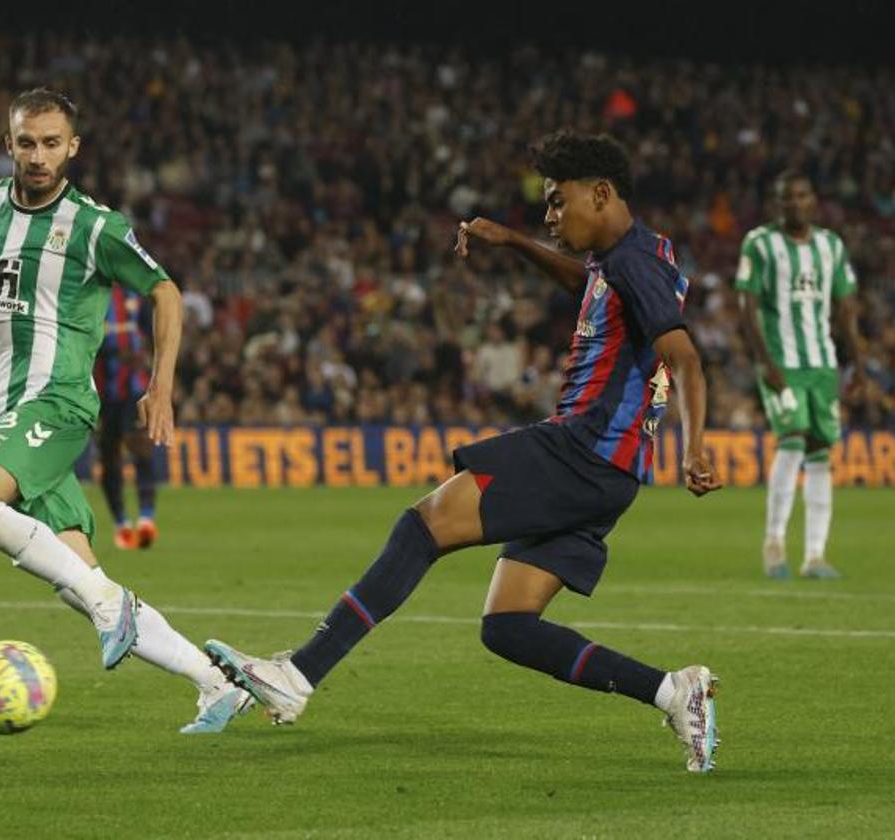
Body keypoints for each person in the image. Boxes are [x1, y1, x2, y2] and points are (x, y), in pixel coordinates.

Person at [205, 131, 724, 772]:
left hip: (583, 448)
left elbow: (685, 357)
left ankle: (299, 674)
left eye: (558, 203)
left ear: (601, 193)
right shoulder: (633, 258)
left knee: (422, 526)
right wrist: (515, 244)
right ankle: (676, 691)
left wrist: (697, 446)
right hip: (606, 473)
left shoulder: (632, 264)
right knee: (508, 625)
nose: (551, 217)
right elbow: (592, 287)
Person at [0, 87, 250, 734]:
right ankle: (218, 686)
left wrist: (159, 385)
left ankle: (113, 609)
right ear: (9, 144)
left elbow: (166, 291)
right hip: (3, 410)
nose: (37, 155)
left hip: (57, 401)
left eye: (51, 143)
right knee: (80, 579)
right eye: (26, 142)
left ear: (73, 148)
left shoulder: (94, 227)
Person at [736, 171, 865, 580]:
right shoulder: (760, 243)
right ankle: (774, 545)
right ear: (777, 204)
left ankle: (814, 556)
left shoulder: (831, 246)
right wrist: (765, 362)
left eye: (802, 195)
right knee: (791, 440)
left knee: (821, 454)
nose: (794, 203)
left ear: (814, 200)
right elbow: (747, 306)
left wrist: (858, 363)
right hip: (781, 361)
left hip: (822, 364)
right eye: (786, 197)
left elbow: (845, 309)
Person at [93, 285, 159, 550]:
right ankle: (121, 524)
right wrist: (112, 353)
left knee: (141, 448)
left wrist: (149, 362)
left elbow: (153, 334)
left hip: (134, 388)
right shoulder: (89, 293)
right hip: (102, 392)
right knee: (109, 457)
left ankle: (146, 519)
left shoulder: (135, 294)